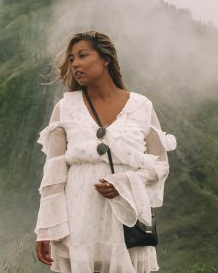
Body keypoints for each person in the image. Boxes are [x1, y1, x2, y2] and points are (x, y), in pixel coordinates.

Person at [34, 31, 177, 272]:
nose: (75, 64)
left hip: (126, 219)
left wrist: (127, 182)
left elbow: (161, 165)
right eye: (71, 59)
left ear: (106, 59)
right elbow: (53, 174)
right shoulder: (65, 107)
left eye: (82, 55)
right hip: (78, 218)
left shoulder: (141, 106)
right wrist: (47, 228)